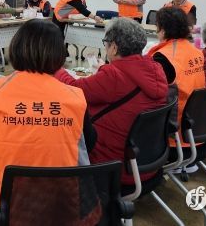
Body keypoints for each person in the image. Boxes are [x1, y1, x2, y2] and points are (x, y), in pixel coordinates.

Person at [0, 20, 97, 220]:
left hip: (6, 209)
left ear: (16, 47)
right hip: (63, 208)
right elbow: (90, 142)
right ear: (58, 54)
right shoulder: (75, 96)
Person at [54, 18, 169, 185]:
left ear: (114, 47)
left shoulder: (113, 76)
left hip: (113, 167)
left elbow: (74, 88)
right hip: (147, 162)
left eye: (106, 44)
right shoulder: (155, 69)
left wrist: (56, 68)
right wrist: (103, 70)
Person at [147, 7, 205, 168]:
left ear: (162, 29)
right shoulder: (196, 51)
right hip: (199, 126)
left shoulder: (163, 57)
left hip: (174, 134)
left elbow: (149, 93)